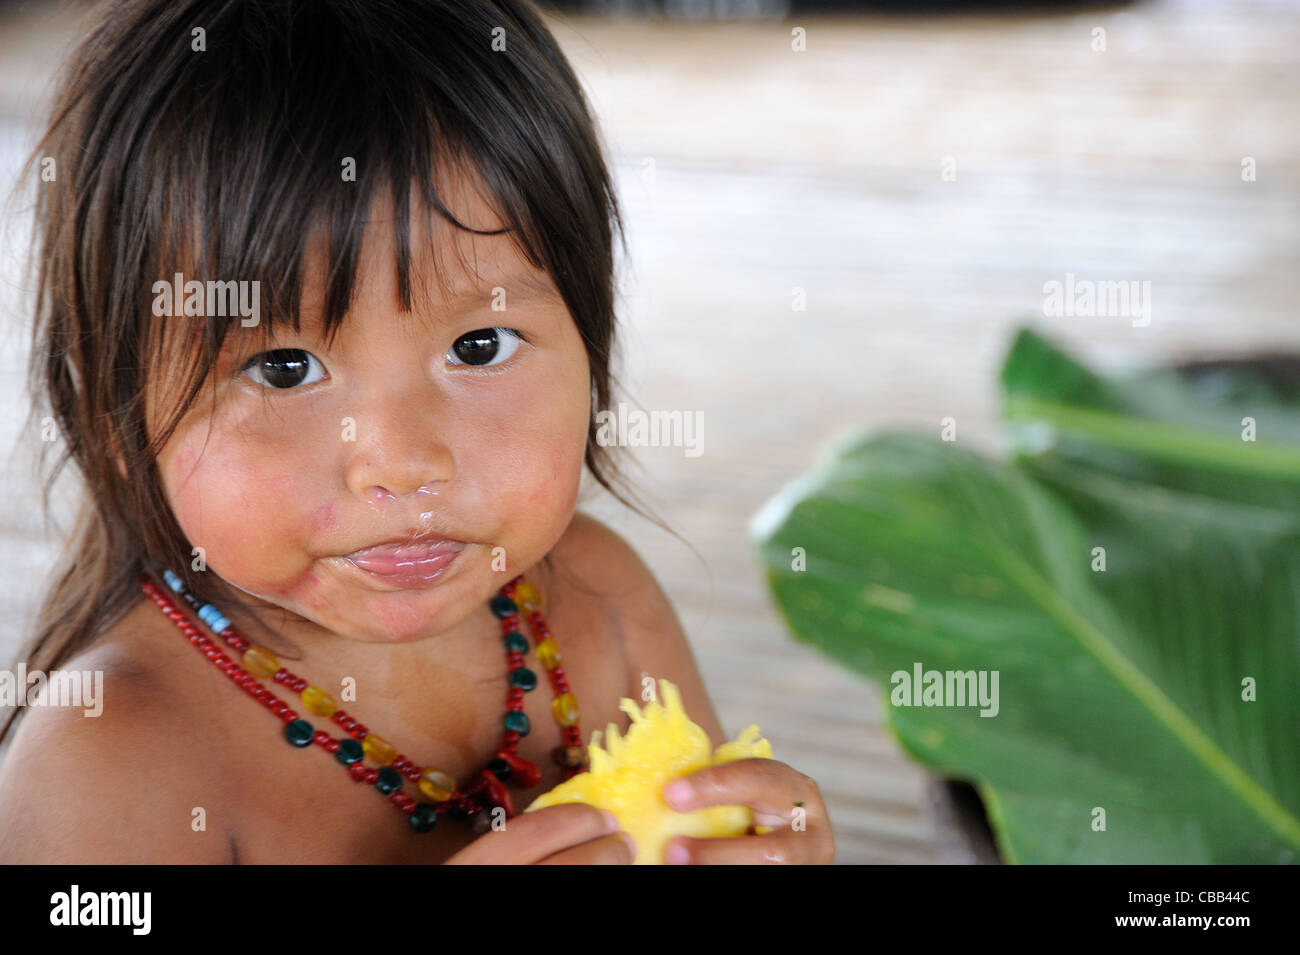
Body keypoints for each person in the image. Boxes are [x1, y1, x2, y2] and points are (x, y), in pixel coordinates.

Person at [0, 0, 833, 865]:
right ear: (116, 402)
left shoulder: (603, 603)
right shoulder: (107, 755)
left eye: (481, 346)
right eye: (283, 369)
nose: (402, 462)